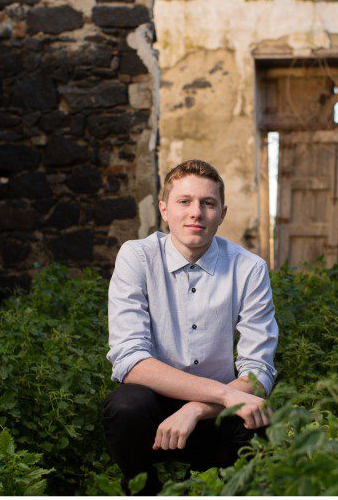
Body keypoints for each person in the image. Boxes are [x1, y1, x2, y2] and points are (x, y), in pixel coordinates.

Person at [101, 159, 279, 495]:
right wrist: (224, 393)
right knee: (125, 407)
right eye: (184, 202)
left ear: (222, 213)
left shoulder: (250, 268)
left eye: (207, 203)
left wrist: (198, 408)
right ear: (164, 209)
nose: (195, 212)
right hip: (154, 407)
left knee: (256, 420)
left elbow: (258, 371)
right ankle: (144, 488)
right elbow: (130, 359)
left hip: (216, 413)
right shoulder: (136, 257)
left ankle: (225, 487)